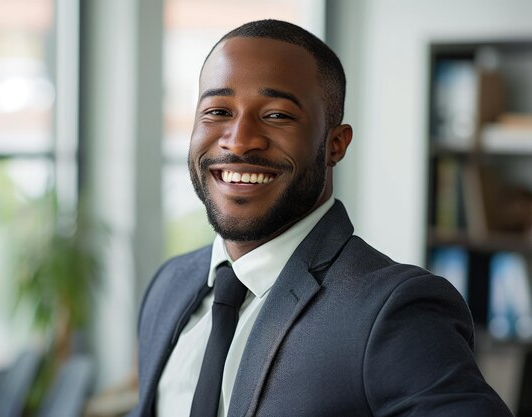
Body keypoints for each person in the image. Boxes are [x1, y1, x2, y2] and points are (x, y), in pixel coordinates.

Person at [129, 19, 513, 417]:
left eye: (277, 115)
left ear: (335, 144)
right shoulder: (168, 287)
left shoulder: (395, 310)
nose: (239, 139)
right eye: (218, 111)